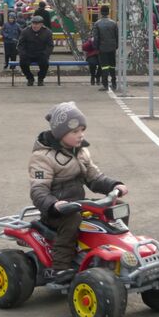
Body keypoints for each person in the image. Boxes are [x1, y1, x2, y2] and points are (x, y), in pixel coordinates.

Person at [28, 102, 128, 282]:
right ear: (60, 134)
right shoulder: (42, 157)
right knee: (72, 219)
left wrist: (114, 185)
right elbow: (38, 190)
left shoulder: (81, 152)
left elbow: (94, 178)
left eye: (82, 130)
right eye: (75, 131)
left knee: (116, 208)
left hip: (77, 204)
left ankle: (112, 251)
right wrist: (54, 204)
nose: (81, 135)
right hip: (56, 211)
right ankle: (59, 267)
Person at [17, 15, 53, 86]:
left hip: (41, 53)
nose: (34, 26)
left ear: (41, 25)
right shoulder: (25, 31)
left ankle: (41, 79)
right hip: (28, 53)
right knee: (22, 63)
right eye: (33, 24)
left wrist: (46, 54)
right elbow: (20, 44)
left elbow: (50, 45)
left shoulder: (47, 32)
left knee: (45, 64)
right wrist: (23, 54)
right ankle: (30, 78)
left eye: (37, 24)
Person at [92, 4, 118, 91]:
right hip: (112, 47)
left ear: (100, 12)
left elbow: (96, 38)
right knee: (112, 66)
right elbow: (116, 36)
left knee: (104, 67)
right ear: (108, 12)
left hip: (102, 48)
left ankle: (105, 85)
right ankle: (114, 84)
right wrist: (115, 46)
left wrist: (96, 47)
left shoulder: (97, 24)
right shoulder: (114, 23)